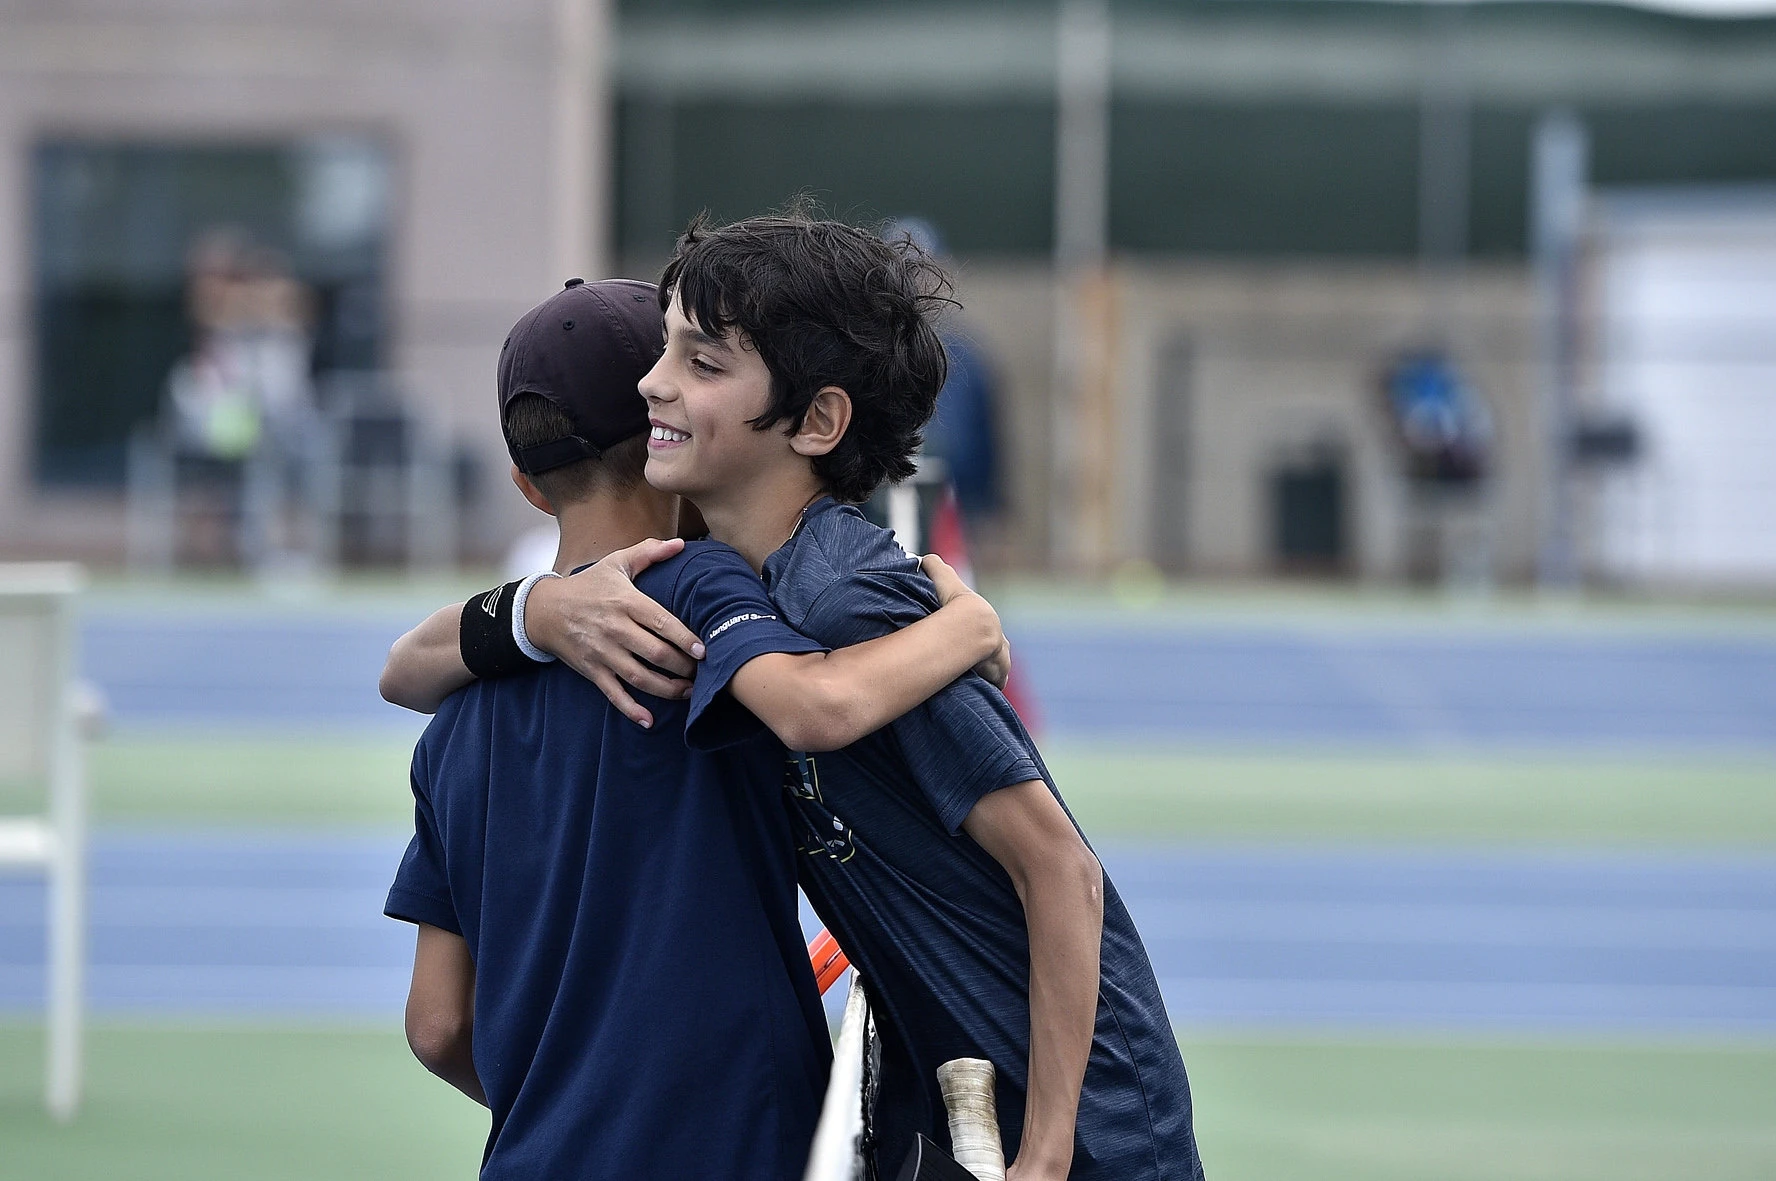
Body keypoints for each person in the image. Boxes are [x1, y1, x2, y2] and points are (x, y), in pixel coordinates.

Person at [384, 215, 1206, 1181]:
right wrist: (538, 608)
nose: (655, 383)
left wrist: (1048, 1151)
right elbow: (406, 664)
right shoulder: (752, 598)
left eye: (700, 362)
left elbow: (1062, 870)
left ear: (815, 423)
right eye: (662, 354)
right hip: (959, 1099)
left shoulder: (843, 600)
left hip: (1078, 1130)